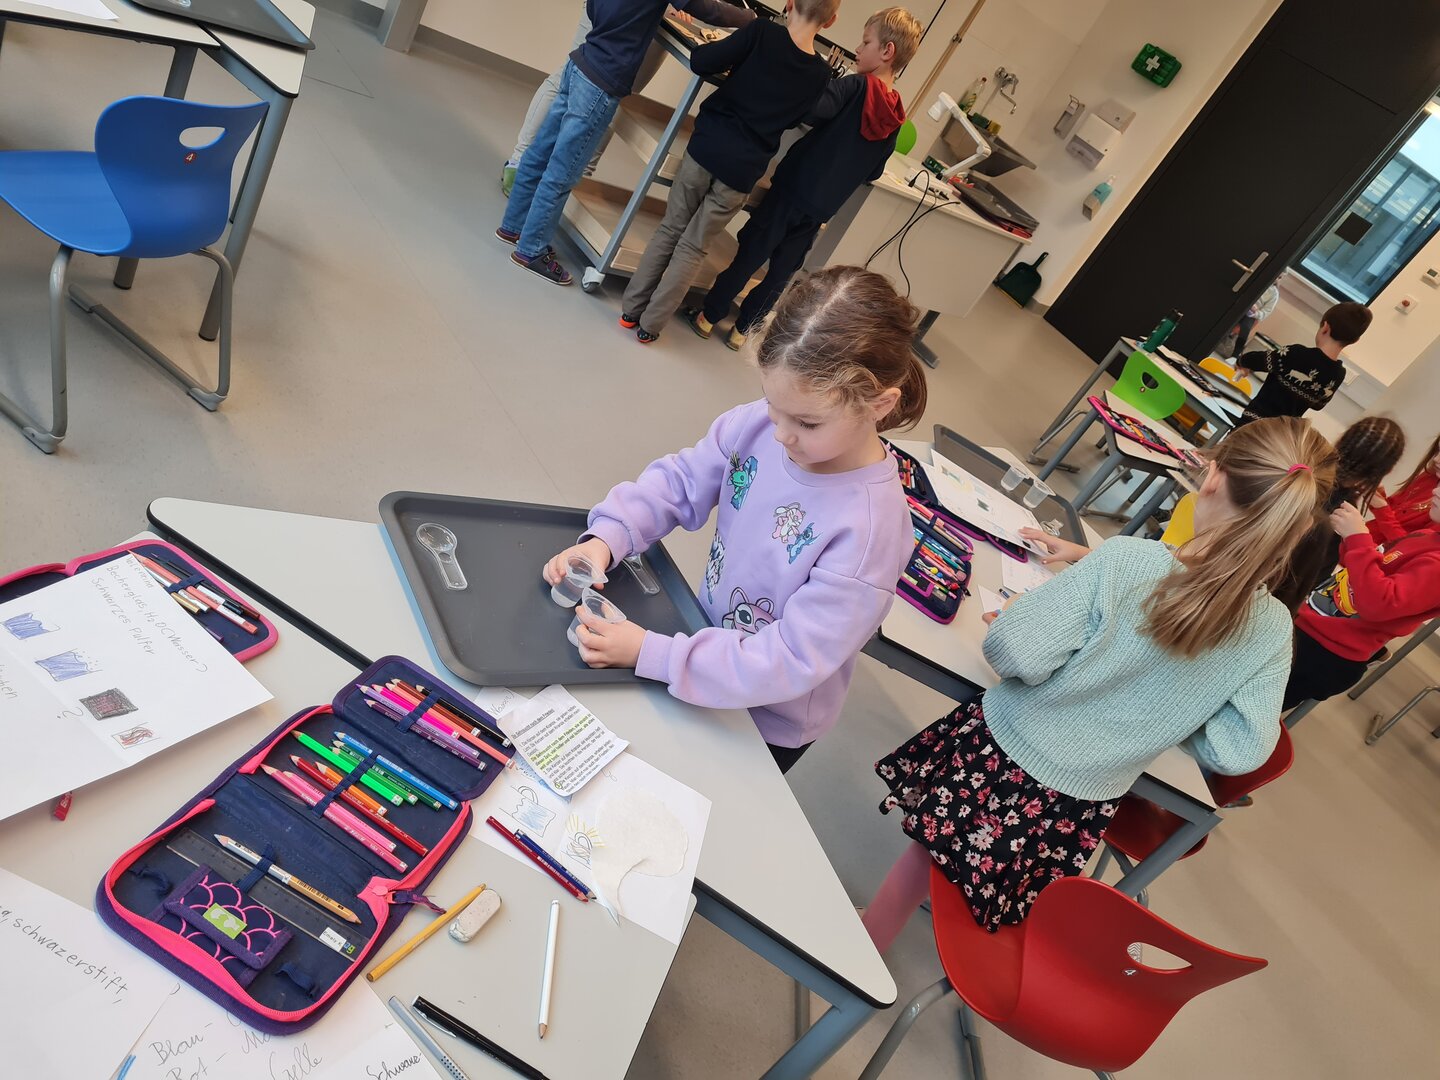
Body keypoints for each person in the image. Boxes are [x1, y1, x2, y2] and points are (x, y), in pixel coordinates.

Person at [861, 418, 1336, 940]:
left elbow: (1014, 652)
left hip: (1005, 749)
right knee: (997, 883)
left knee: (928, 851)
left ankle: (870, 944)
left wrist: (1021, 617)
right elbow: (1239, 751)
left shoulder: (1128, 560)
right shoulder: (1272, 629)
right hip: (1082, 799)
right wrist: (1183, 707)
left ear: (1213, 478)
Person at [542, 267, 925, 772]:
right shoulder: (760, 424)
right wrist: (607, 538)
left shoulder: (870, 531)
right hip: (700, 644)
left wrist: (655, 655)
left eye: (807, 422)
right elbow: (680, 482)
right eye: (773, 404)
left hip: (766, 718)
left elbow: (790, 658)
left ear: (879, 405)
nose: (781, 434)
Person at [684, 7, 923, 351]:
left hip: (792, 188)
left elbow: (810, 111)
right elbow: (873, 171)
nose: (858, 49)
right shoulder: (896, 115)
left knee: (751, 254)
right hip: (821, 207)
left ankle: (708, 316)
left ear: (887, 51)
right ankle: (742, 331)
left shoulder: (854, 86)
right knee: (781, 273)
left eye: (866, 42)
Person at [619, 0, 837, 343]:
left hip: (707, 148)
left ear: (789, 3)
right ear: (831, 21)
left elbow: (702, 61)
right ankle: (651, 326)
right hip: (743, 171)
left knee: (670, 228)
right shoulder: (821, 75)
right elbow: (796, 118)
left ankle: (630, 311)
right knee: (694, 247)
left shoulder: (761, 31)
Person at [496, 0, 755, 287]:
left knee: (538, 154)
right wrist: (749, 18)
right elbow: (708, 10)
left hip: (581, 62)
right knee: (562, 174)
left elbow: (594, 9)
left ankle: (512, 227)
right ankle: (531, 250)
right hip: (602, 83)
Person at [499, 6, 705, 198]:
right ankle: (520, 163)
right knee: (569, 74)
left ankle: (577, 179)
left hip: (661, 13)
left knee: (619, 91)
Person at [1283, 488, 1440, 710]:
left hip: (1324, 652)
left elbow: (1379, 603)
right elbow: (1364, 569)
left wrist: (1357, 538)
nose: (1435, 489)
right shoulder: (1426, 537)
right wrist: (1349, 536)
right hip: (1309, 627)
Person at [1274, 416, 1406, 610]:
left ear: (1343, 438)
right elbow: (1307, 581)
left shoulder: (1297, 470)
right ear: (1386, 471)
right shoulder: (1340, 520)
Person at [1233, 301, 1372, 424]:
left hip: (1253, 423)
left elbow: (1256, 360)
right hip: (1281, 435)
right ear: (1354, 341)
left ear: (1325, 327)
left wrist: (1241, 361)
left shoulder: (1296, 353)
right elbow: (1318, 405)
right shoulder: (1338, 374)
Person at [1369, 432, 1440, 544]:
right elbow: (1395, 514)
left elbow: (1408, 549)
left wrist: (1381, 509)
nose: (1436, 459)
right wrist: (1378, 495)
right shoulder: (1431, 475)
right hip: (1364, 539)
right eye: (1438, 450)